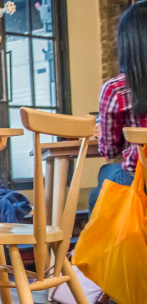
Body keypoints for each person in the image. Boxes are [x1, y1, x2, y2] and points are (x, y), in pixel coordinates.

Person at [88, 1, 147, 214]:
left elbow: (109, 150)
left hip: (140, 180)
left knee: (105, 175)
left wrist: (103, 132)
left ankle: (105, 245)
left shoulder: (116, 89)